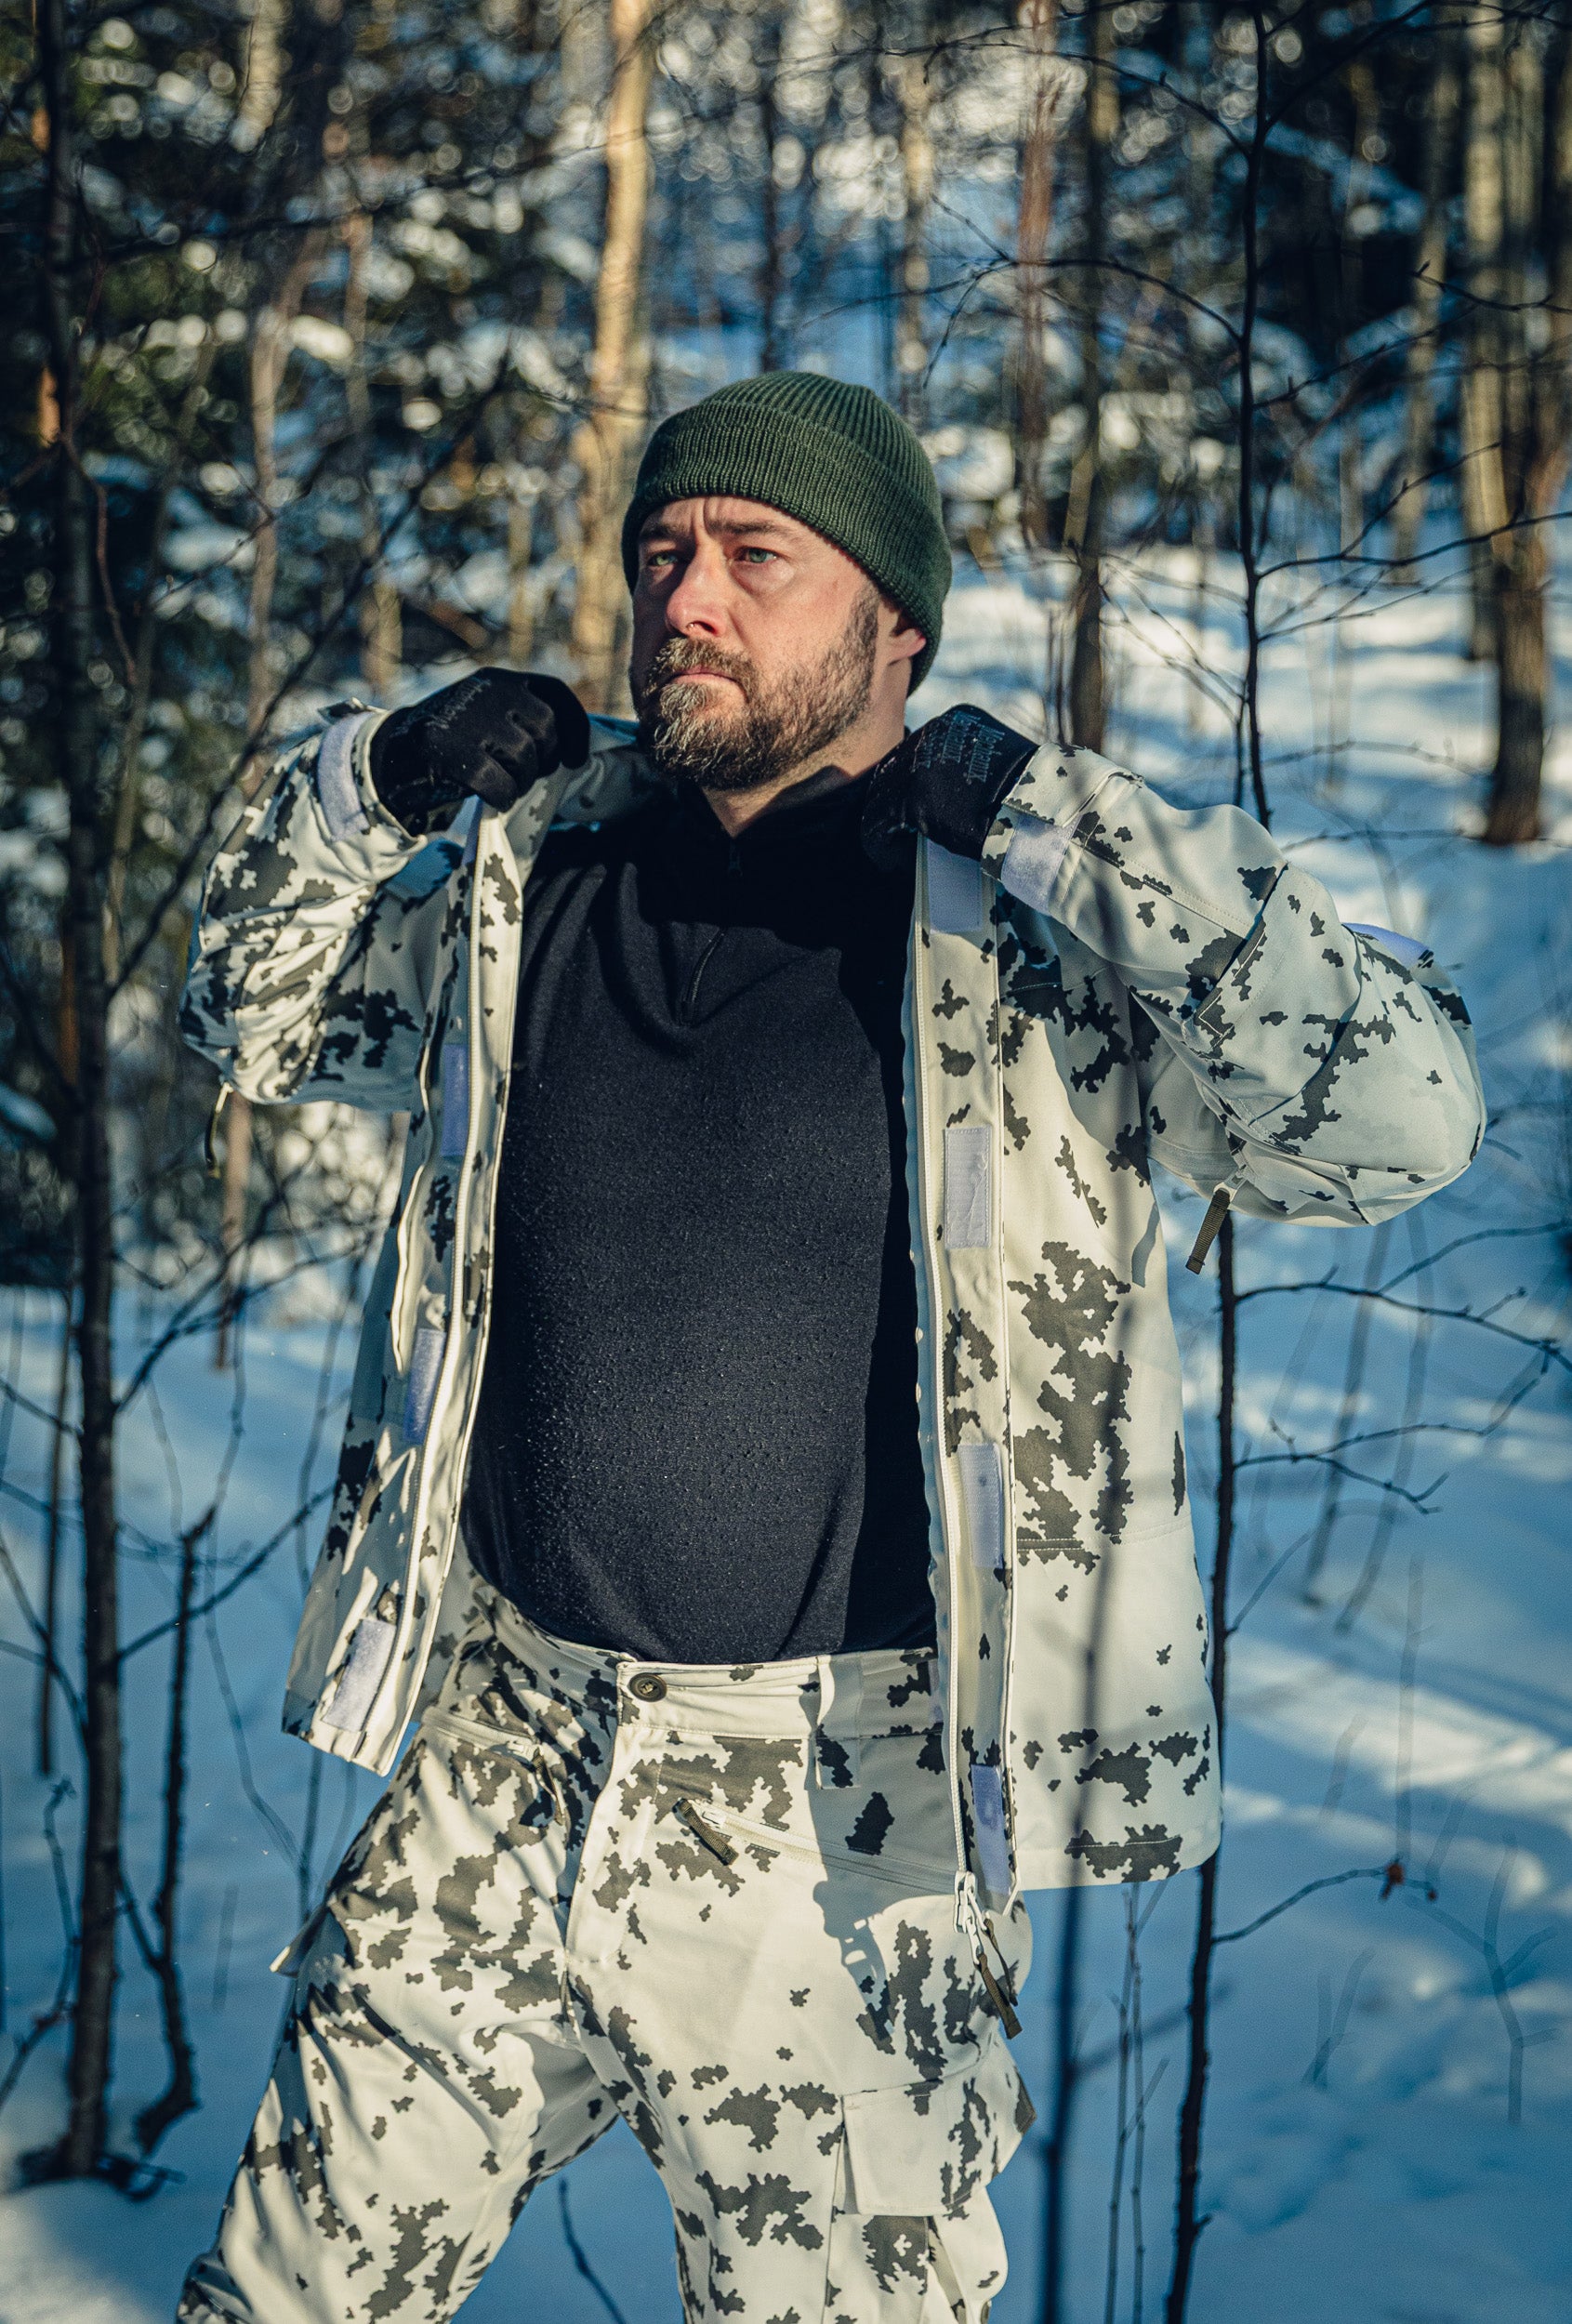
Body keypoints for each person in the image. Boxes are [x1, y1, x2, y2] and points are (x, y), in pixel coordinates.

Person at [176, 371, 1483, 2323]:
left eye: (755, 556)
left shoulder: (1030, 946)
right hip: (499, 1757)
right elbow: (249, 1014)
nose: (685, 599)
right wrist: (377, 780)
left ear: (896, 626)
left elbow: (1404, 1120)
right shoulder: (533, 884)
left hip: (841, 1836)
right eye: (661, 553)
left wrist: (1060, 819)